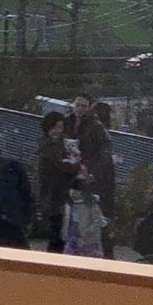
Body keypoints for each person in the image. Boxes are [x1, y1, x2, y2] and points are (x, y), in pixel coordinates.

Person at [65, 94, 118, 258]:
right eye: (77, 105)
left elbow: (105, 154)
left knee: (97, 217)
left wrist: (94, 172)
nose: (80, 109)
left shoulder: (96, 127)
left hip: (94, 178)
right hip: (75, 175)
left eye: (83, 106)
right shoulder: (68, 123)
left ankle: (106, 255)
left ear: (89, 108)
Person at [35, 111, 79, 254]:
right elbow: (62, 165)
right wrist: (74, 165)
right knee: (57, 230)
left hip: (60, 191)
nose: (58, 131)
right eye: (55, 127)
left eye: (61, 127)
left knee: (61, 230)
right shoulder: (47, 146)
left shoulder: (63, 144)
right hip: (53, 191)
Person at [63, 177, 106, 258]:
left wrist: (90, 230)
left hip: (89, 240)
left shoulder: (91, 205)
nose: (73, 192)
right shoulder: (69, 205)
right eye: (71, 190)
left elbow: (98, 220)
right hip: (71, 238)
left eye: (76, 190)